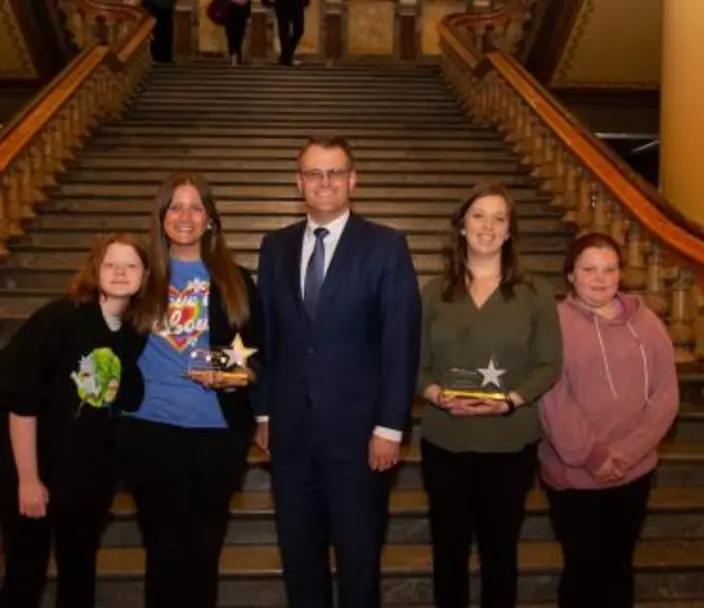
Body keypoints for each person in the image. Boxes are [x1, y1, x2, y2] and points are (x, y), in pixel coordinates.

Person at [254, 135, 421, 608]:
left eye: (334, 172)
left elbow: (400, 341)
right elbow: (267, 337)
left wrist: (391, 426)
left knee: (358, 562)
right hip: (290, 436)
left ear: (353, 179)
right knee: (300, 560)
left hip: (360, 438)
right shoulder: (275, 247)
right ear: (298, 182)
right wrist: (264, 413)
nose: (323, 182)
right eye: (313, 173)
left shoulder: (386, 246)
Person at [117, 172, 263, 608]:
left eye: (196, 206)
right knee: (161, 550)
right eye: (175, 207)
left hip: (217, 432)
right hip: (149, 429)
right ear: (161, 218)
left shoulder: (236, 281)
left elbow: (258, 361)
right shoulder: (139, 277)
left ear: (211, 219)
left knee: (204, 550)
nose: (185, 216)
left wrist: (236, 376)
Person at [418, 182, 562, 608]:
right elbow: (413, 362)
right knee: (449, 553)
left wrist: (510, 400)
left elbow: (549, 364)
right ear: (461, 226)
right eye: (479, 215)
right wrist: (434, 394)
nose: (489, 226)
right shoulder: (433, 292)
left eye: (500, 218)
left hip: (509, 443)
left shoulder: (535, 293)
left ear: (510, 231)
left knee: (501, 553)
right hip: (446, 442)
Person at [0, 233, 149, 608]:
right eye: (110, 263)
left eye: (130, 265)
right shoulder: (58, 320)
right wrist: (29, 480)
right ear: (94, 269)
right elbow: (22, 404)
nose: (119, 272)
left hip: (88, 483)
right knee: (25, 575)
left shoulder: (134, 336)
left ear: (145, 276)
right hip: (34, 472)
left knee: (79, 576)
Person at [538, 232, 678, 608]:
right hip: (574, 474)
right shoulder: (553, 323)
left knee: (619, 568)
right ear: (571, 274)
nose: (600, 278)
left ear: (620, 273)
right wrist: (595, 455)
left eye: (609, 269)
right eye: (589, 269)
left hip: (633, 471)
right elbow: (553, 399)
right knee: (583, 571)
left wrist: (627, 454)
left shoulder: (647, 322)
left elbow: (666, 395)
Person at [274, 0, 306, 66]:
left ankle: (285, 56)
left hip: (297, 5)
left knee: (299, 31)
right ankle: (286, 58)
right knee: (284, 33)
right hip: (282, 5)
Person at [225, 0, 251, 66]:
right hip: (240, 23)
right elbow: (247, 14)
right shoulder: (246, 2)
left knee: (231, 39)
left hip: (231, 22)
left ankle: (233, 57)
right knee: (238, 40)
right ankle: (237, 56)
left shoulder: (229, 2)